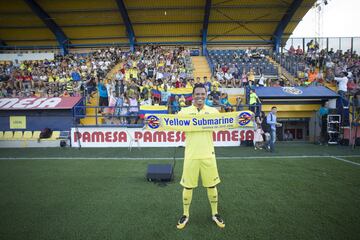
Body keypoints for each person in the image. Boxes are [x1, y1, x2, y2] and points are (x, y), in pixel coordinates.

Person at [176, 83, 225, 230]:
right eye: (197, 94)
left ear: (206, 95)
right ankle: (185, 214)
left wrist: (246, 119)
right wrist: (155, 123)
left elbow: (227, 123)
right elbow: (169, 124)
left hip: (208, 155)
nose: (200, 96)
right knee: (188, 187)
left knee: (211, 185)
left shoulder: (213, 112)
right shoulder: (183, 112)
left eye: (202, 94)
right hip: (190, 155)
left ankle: (215, 213)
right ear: (193, 95)